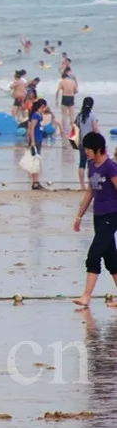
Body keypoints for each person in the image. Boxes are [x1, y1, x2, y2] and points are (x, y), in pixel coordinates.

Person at [73, 132, 117, 308]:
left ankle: (86, 296)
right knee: (111, 258)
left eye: (89, 150)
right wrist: (79, 216)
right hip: (98, 216)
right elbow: (90, 192)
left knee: (93, 255)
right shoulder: (92, 166)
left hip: (112, 215)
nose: (87, 153)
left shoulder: (110, 167)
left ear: (98, 149)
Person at [75, 97, 99, 190]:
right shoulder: (93, 115)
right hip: (91, 143)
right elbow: (95, 129)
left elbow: (76, 128)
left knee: (82, 163)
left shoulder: (80, 115)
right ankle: (90, 184)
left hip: (82, 142)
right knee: (91, 164)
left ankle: (82, 185)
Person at [27, 98, 47, 190]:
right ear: (42, 106)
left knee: (37, 161)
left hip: (39, 140)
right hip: (35, 140)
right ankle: (35, 182)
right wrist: (32, 141)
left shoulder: (40, 115)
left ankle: (36, 181)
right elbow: (32, 128)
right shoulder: (35, 115)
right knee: (35, 161)